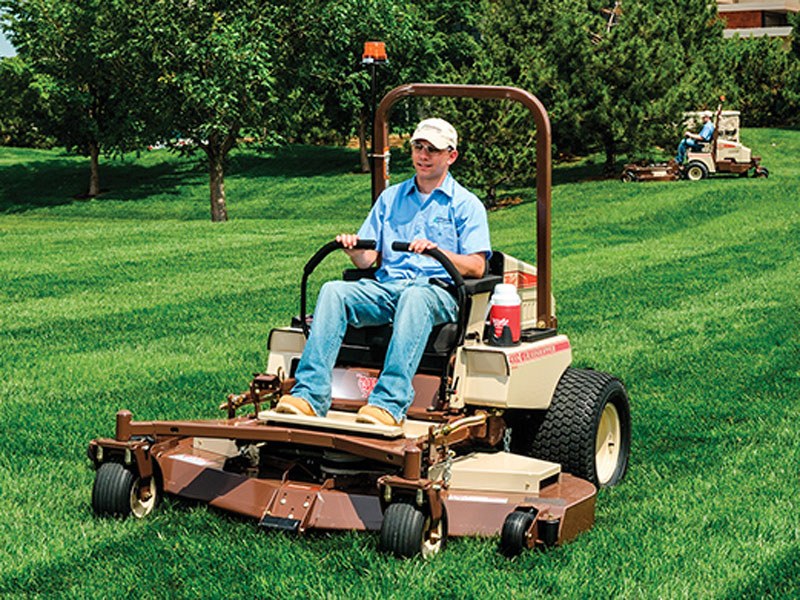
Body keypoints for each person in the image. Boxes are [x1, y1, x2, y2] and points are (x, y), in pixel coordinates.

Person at [275, 118, 491, 426]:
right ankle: (309, 396)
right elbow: (367, 260)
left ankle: (388, 403)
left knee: (415, 298)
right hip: (388, 287)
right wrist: (352, 248)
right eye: (419, 147)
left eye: (433, 149)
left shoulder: (467, 205)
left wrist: (437, 251)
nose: (424, 155)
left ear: (451, 156)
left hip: (438, 292)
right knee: (334, 291)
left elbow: (478, 265)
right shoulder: (391, 199)